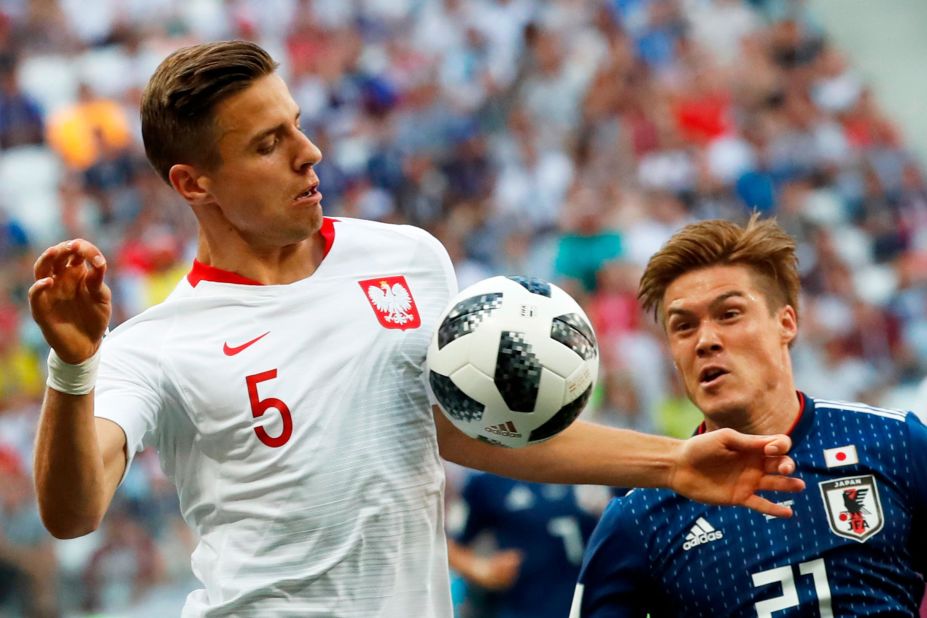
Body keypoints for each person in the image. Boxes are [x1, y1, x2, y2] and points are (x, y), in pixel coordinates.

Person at [29, 41, 802, 616]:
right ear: (193, 184)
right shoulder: (157, 345)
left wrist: (673, 462)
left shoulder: (404, 258)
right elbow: (74, 511)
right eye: (268, 145)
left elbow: (465, 432)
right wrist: (72, 370)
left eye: (295, 126)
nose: (310, 153)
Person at [571, 215, 927, 617]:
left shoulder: (896, 443)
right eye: (684, 326)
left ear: (786, 322)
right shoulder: (639, 518)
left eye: (729, 314)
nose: (705, 341)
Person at [446, 472, 607, 617]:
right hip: (524, 606)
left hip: (594, 605)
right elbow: (446, 543)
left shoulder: (595, 466)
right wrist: (481, 568)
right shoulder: (488, 481)